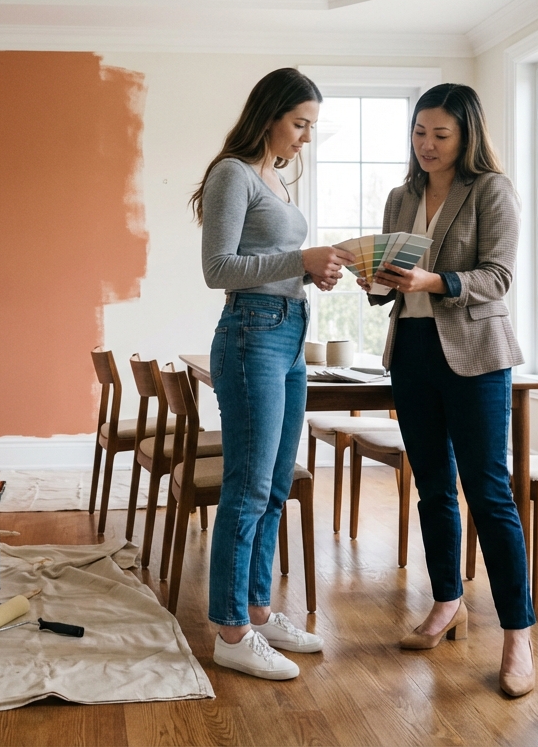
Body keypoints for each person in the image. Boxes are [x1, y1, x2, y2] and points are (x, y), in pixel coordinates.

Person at [359, 83, 536, 698]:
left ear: (466, 135)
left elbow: (500, 277)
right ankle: (445, 602)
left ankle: (519, 633)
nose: (427, 145)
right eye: (419, 132)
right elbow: (387, 286)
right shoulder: (400, 195)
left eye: (441, 134)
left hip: (477, 358)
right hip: (409, 353)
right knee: (432, 486)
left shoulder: (491, 190)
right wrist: (375, 279)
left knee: (489, 494)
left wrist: (437, 279)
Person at [190, 68, 355, 680]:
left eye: (312, 126)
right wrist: (298, 259)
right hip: (251, 333)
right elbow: (218, 268)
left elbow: (268, 264)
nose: (306, 137)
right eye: (300, 123)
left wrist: (310, 274)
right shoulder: (231, 173)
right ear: (269, 115)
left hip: (288, 330)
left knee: (278, 483)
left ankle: (257, 611)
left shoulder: (275, 180)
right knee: (250, 485)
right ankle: (231, 631)